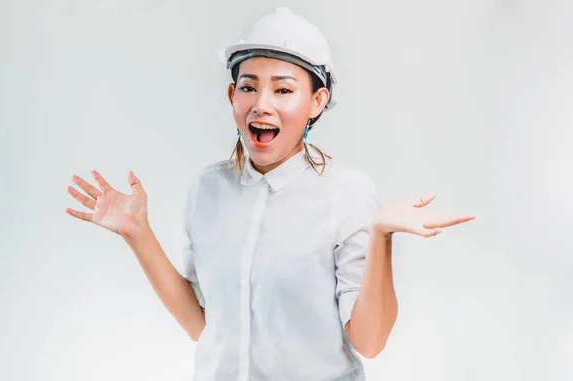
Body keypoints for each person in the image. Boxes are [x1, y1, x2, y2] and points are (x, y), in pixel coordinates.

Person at [65, 7, 475, 381]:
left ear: (317, 101)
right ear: (232, 96)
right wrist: (139, 234)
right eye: (248, 87)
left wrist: (381, 236)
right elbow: (204, 327)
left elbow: (369, 342)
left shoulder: (345, 192)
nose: (262, 105)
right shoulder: (206, 189)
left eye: (283, 90)